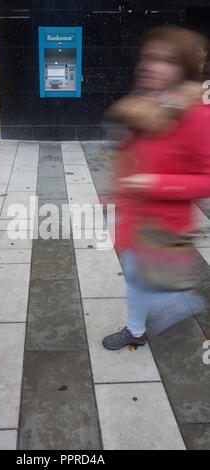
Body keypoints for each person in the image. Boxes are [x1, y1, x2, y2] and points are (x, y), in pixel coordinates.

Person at [103, 26, 210, 350]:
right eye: (148, 57)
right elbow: (130, 157)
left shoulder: (198, 117)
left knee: (142, 278)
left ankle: (176, 305)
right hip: (135, 218)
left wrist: (155, 183)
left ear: (183, 70)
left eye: (164, 60)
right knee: (137, 277)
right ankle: (139, 329)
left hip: (162, 225)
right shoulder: (144, 106)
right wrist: (113, 193)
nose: (149, 65)